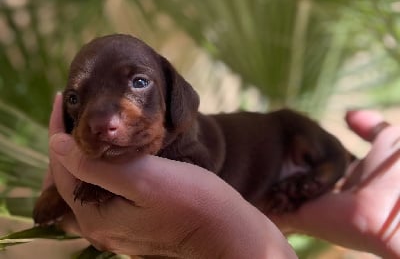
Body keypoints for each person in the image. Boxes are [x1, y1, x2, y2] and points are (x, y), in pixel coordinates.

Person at [45, 93, 399, 258]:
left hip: (284, 148)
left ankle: (329, 165)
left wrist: (222, 243)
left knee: (296, 125)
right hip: (265, 180)